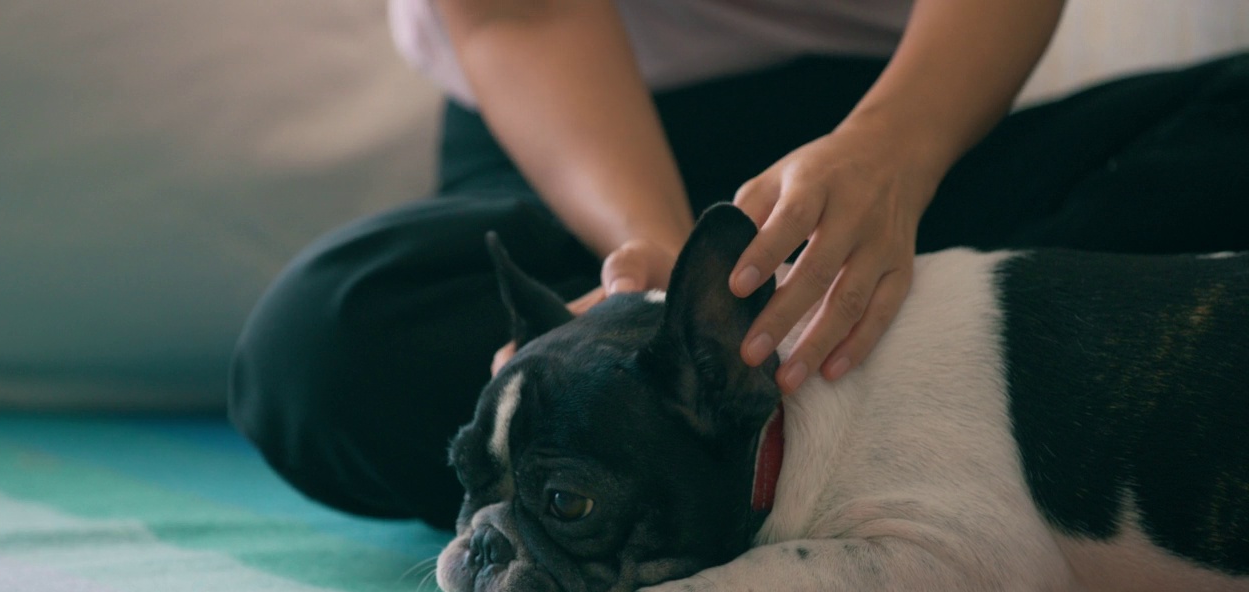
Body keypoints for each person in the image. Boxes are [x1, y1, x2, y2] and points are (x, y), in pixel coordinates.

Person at [229, 0, 1249, 530]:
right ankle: (828, 449)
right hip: (580, 163)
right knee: (321, 350)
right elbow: (516, 13)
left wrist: (893, 156)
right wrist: (661, 289)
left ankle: (692, 478)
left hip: (898, 134)